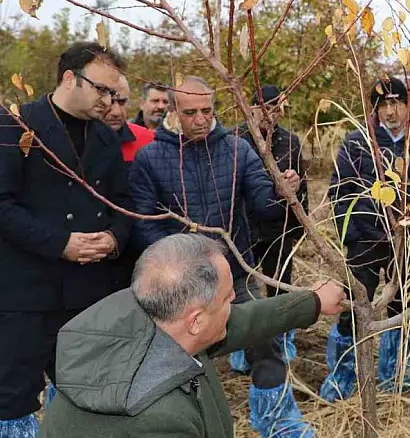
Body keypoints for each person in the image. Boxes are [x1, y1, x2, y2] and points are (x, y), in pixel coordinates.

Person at [129, 76, 309, 437]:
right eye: (191, 112)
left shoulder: (237, 149)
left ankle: (278, 420)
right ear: (173, 112)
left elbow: (264, 205)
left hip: (233, 276)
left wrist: (284, 190)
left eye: (207, 111)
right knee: (171, 359)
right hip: (178, 284)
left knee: (265, 342)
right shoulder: (151, 157)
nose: (200, 119)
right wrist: (175, 269)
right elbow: (145, 222)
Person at [39, 233, 346, 437]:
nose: (234, 304)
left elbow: (240, 322)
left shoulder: (147, 319)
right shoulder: (161, 420)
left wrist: (312, 302)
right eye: (227, 299)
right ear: (196, 320)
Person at [0, 42, 134, 435]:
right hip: (25, 294)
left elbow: (123, 204)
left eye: (114, 93)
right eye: (102, 90)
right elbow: (2, 205)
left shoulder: (107, 139)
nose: (110, 101)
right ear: (70, 78)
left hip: (87, 296)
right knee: (12, 401)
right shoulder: (15, 126)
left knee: (84, 393)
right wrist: (60, 243)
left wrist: (113, 238)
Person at [321, 77, 410, 402]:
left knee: (404, 306)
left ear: (408, 105)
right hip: (365, 240)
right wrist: (351, 234)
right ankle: (344, 376)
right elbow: (340, 190)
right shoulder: (358, 142)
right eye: (383, 105)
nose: (391, 111)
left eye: (397, 103)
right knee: (353, 308)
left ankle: (397, 372)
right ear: (375, 109)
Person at [232, 84, 309, 373]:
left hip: (279, 229)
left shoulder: (290, 143)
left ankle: (281, 339)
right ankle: (243, 343)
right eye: (263, 108)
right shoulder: (235, 140)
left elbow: (303, 189)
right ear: (251, 108)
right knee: (244, 292)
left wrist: (299, 221)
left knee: (279, 286)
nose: (269, 114)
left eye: (276, 108)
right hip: (244, 231)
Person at [101, 75, 155, 292]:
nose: (115, 111)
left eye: (122, 102)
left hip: (139, 255)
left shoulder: (147, 141)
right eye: (108, 102)